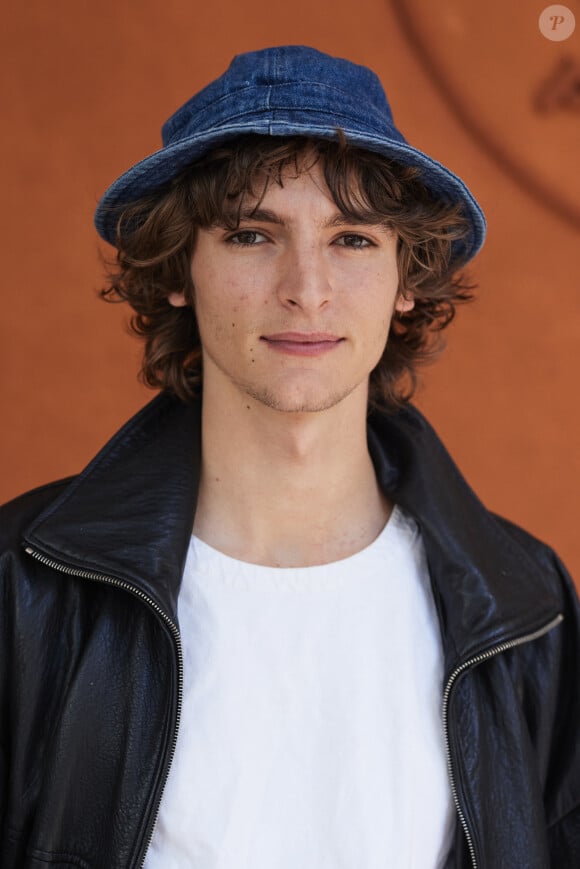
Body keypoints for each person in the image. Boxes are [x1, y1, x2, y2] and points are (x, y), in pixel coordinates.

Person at [0, 45, 578, 869]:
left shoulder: (526, 605)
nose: (306, 287)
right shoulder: (25, 585)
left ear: (406, 280)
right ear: (179, 270)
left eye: (351, 239)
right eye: (250, 233)